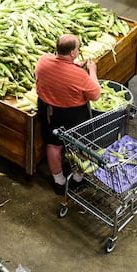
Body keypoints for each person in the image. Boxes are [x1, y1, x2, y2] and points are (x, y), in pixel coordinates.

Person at [34, 34, 101, 191]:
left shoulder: (43, 61)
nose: (79, 50)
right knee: (79, 145)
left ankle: (59, 182)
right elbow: (96, 94)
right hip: (74, 114)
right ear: (73, 53)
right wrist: (92, 71)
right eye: (78, 48)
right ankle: (77, 179)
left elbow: (60, 71)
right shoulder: (80, 76)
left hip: (49, 111)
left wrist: (75, 65)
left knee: (53, 145)